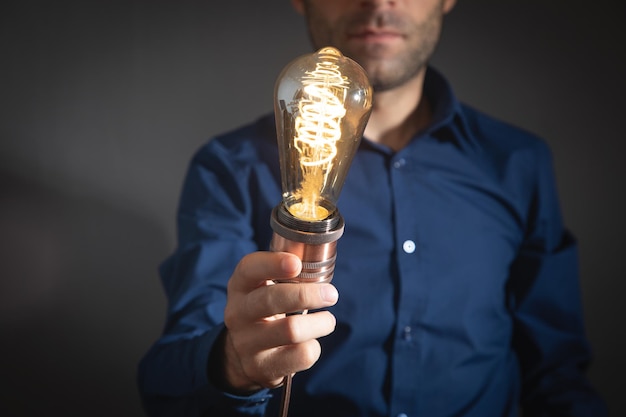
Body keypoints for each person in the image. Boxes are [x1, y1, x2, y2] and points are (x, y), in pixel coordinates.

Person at [138, 1, 608, 416]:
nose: (379, 1)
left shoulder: (518, 163)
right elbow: (170, 380)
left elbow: (556, 372)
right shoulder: (229, 169)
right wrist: (233, 364)